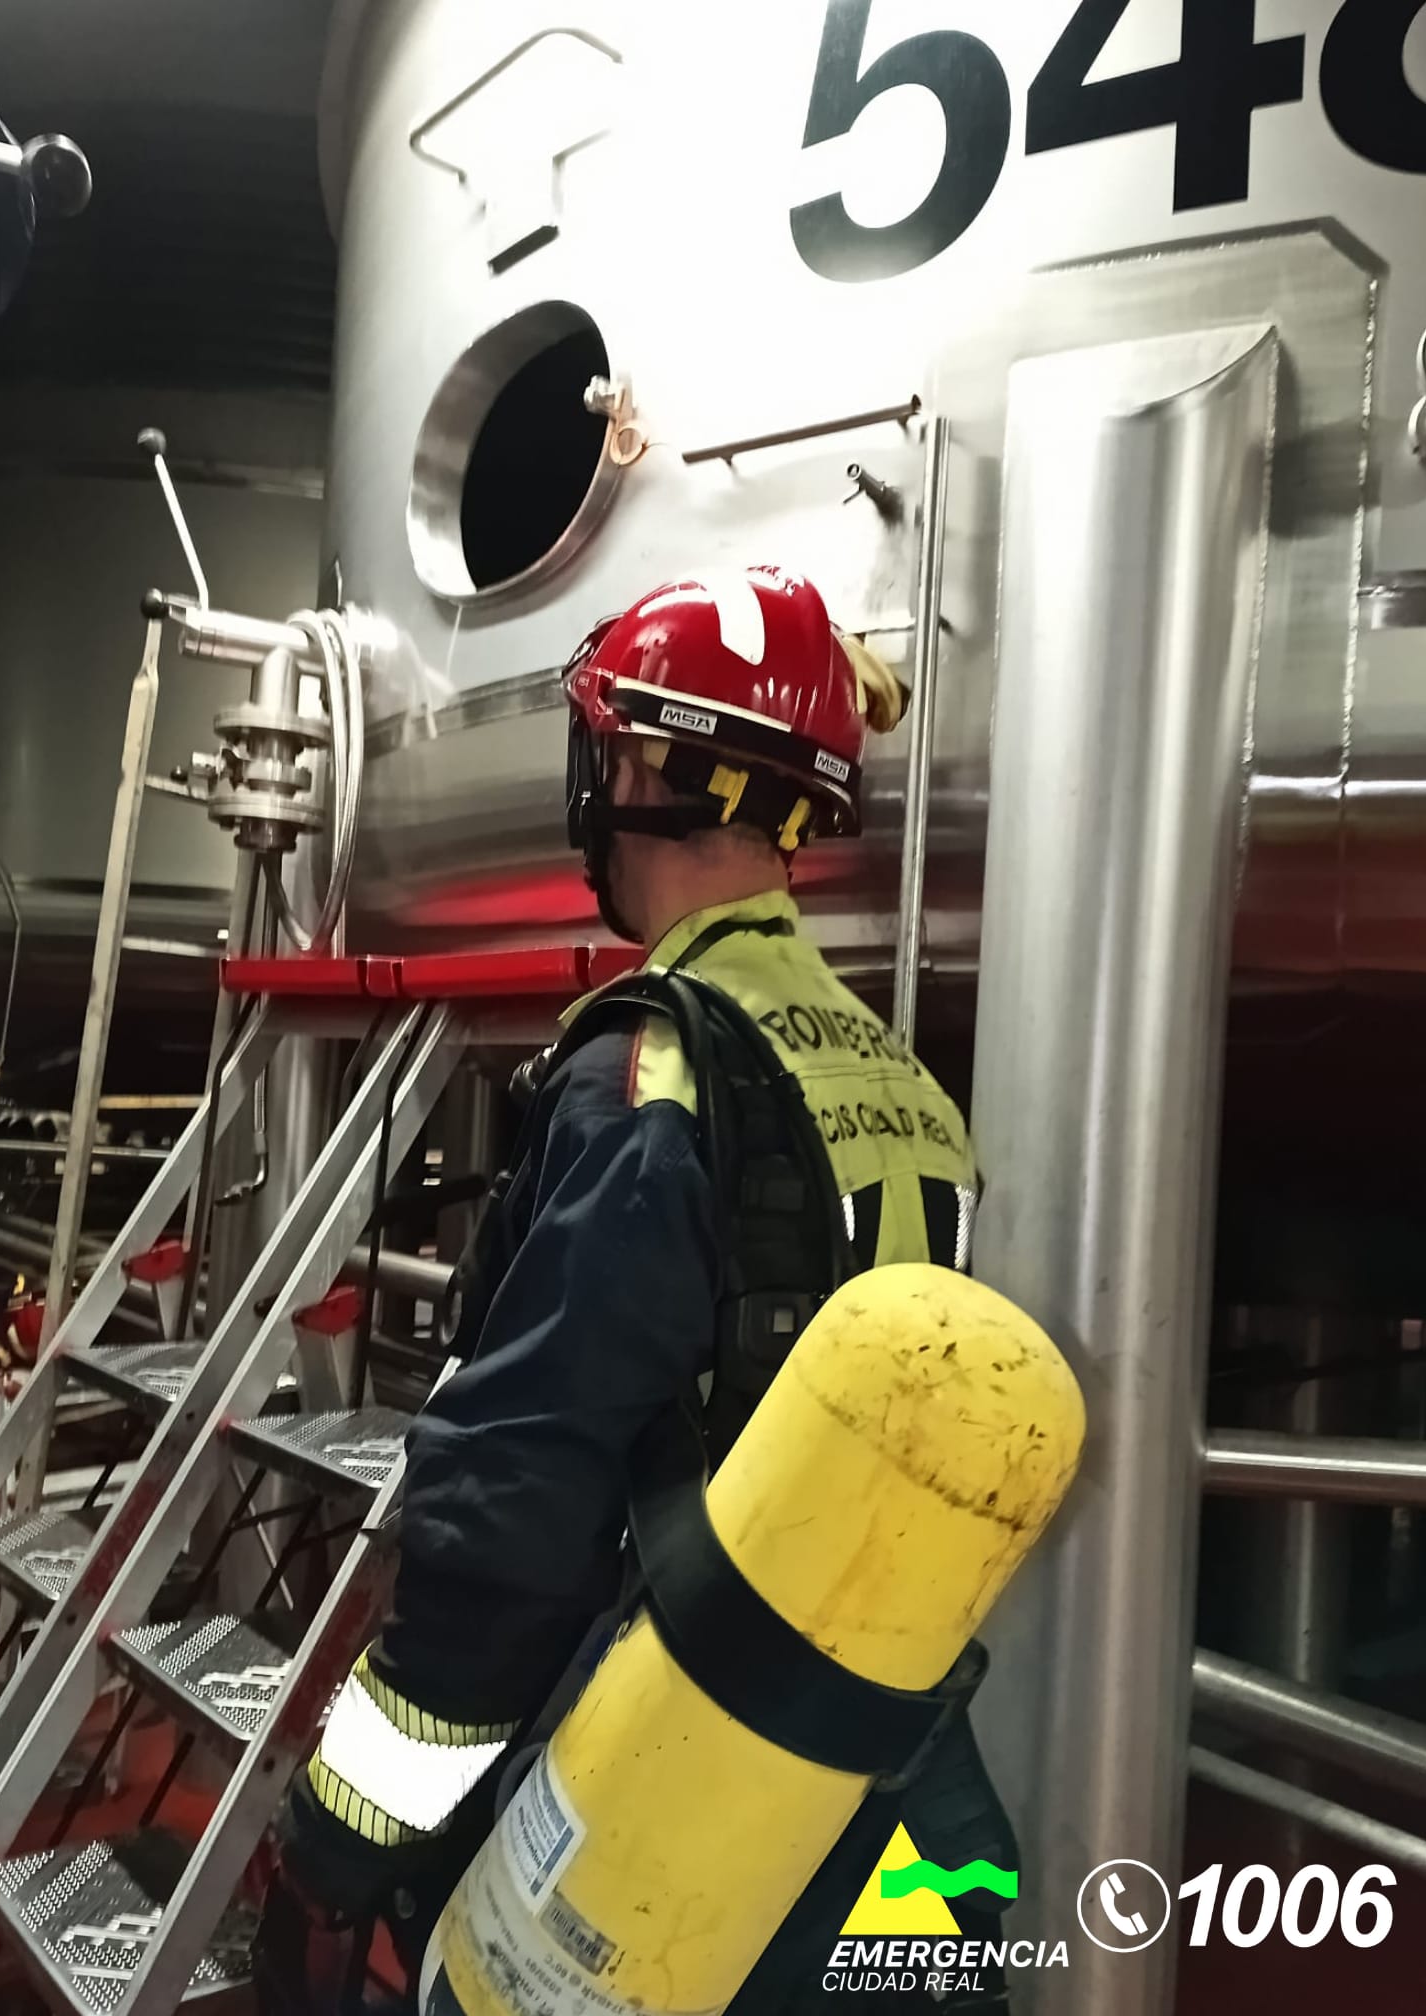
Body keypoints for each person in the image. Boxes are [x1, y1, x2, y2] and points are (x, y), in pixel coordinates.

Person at [253, 566, 1015, 2014]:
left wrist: (339, 1843)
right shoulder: (903, 1084)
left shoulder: (646, 1073)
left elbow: (516, 1520)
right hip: (889, 1779)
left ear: (649, 774)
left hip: (667, 1783)